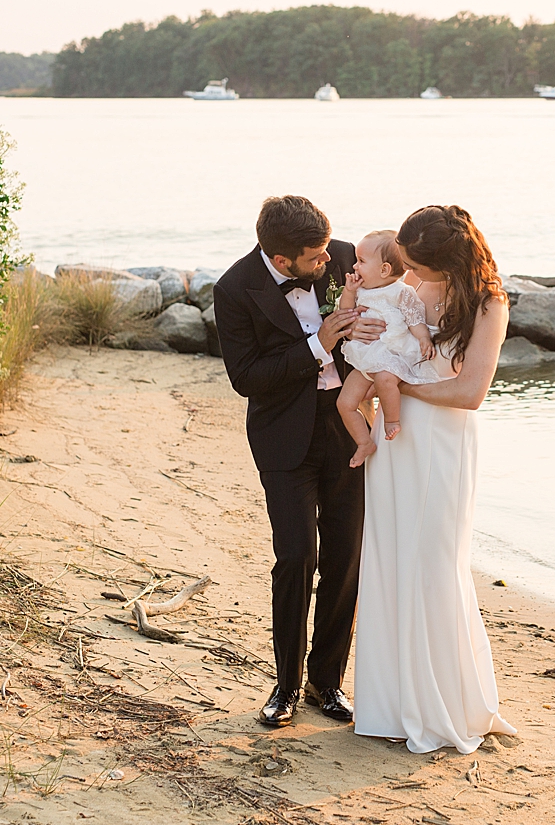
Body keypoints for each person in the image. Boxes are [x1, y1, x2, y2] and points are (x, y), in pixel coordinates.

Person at [212, 195, 384, 728]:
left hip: (347, 428)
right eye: (315, 258)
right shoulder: (235, 288)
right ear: (283, 261)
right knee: (295, 559)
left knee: (345, 557)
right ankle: (284, 687)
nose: (329, 262)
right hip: (283, 436)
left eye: (328, 252)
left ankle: (324, 682)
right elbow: (247, 378)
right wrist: (319, 341)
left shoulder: (342, 255)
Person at [352, 204, 518, 754]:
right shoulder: (411, 291)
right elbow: (374, 337)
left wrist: (401, 386)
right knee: (390, 560)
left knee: (434, 565)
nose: (410, 273)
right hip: (395, 446)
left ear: (447, 261)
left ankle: (445, 703)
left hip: (443, 443)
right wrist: (361, 331)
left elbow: (470, 393)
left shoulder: (489, 305)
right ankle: (391, 706)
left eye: (419, 265)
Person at [335, 230, 450, 467]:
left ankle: (391, 421)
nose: (355, 267)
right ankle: (364, 442)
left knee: (386, 381)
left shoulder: (401, 292)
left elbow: (414, 319)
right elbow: (345, 312)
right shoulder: (359, 290)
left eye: (361, 262)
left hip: (390, 354)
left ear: (384, 270)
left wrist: (424, 339)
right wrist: (348, 291)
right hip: (366, 358)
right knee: (344, 403)